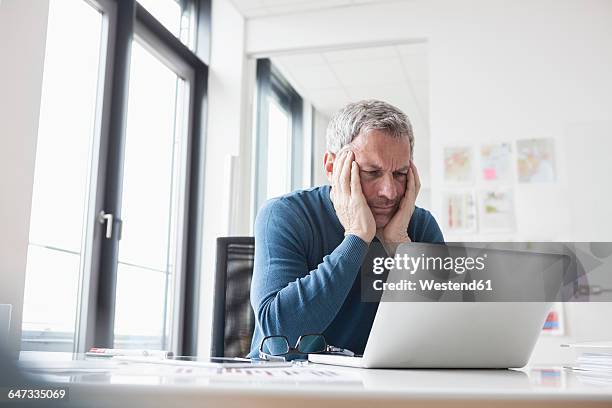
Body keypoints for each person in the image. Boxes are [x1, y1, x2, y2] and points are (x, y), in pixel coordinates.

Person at [247, 99, 444, 358]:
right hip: (290, 385)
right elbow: (280, 338)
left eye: (400, 174)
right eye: (371, 172)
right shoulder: (285, 215)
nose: (389, 192)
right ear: (332, 167)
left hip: (378, 388)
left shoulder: (419, 226)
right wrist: (357, 238)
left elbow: (446, 332)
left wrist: (401, 249)